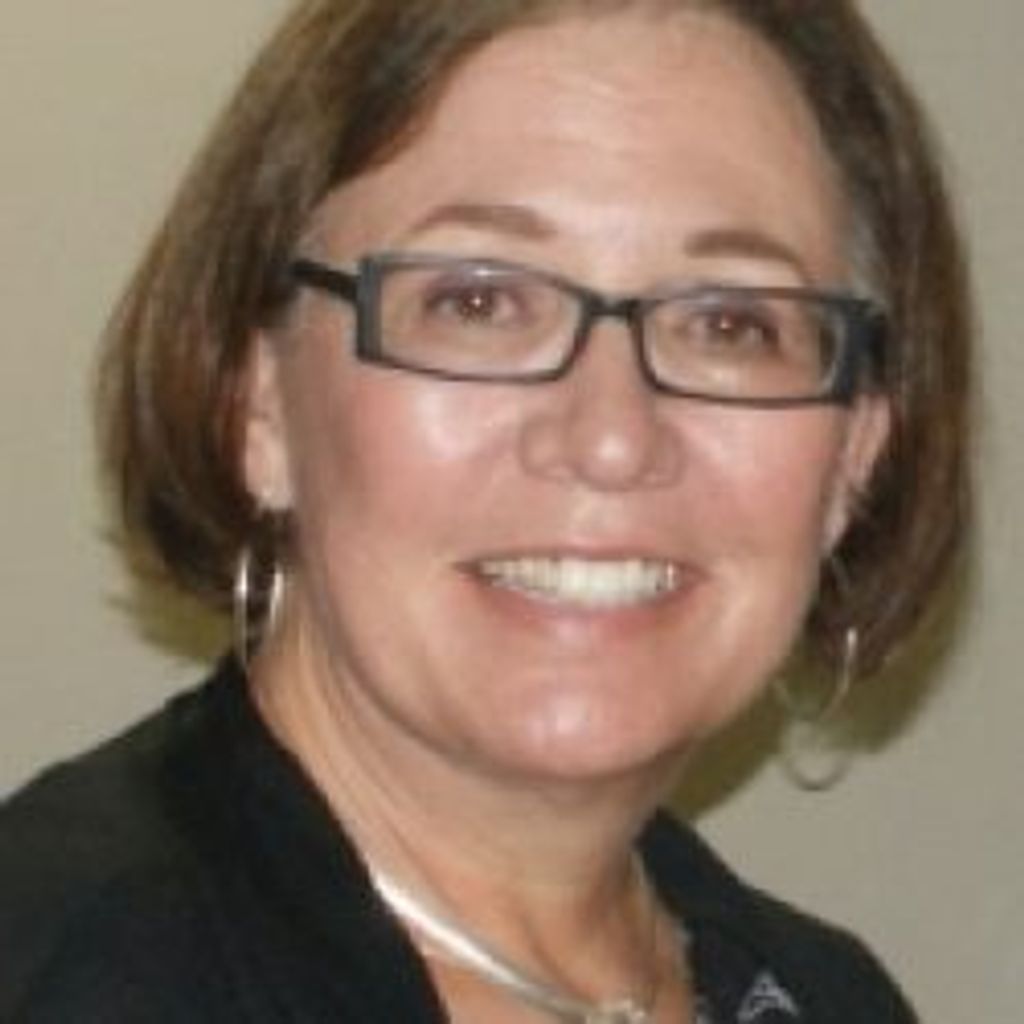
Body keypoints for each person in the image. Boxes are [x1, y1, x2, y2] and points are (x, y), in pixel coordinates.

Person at [0, 0, 970, 1020]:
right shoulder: (69, 973)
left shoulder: (829, 997)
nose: (611, 438)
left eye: (729, 323)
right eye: (478, 303)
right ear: (259, 404)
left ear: (854, 452)